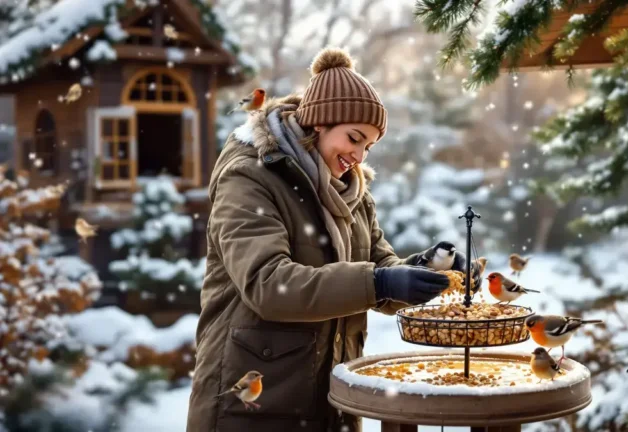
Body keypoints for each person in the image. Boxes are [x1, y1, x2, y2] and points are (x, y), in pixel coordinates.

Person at [187, 47, 478, 432]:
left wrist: (427, 269)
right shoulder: (249, 178)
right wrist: (378, 282)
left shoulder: (353, 194)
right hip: (254, 409)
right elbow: (268, 284)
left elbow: (380, 268)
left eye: (368, 146)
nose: (358, 156)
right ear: (320, 123)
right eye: (354, 138)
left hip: (331, 406)